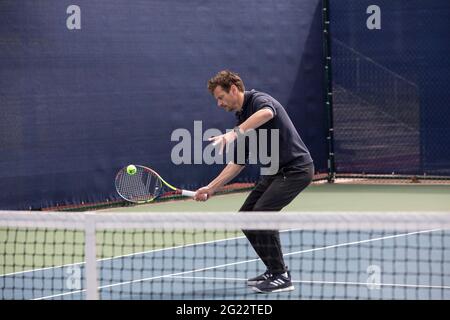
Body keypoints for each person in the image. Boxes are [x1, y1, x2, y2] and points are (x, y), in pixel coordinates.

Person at [194, 70, 314, 293]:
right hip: (275, 173)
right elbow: (238, 162)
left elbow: (268, 113)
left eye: (220, 97)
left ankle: (281, 276)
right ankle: (273, 269)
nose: (219, 104)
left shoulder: (258, 100)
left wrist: (233, 134)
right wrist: (211, 188)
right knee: (247, 217)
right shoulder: (242, 118)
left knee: (262, 213)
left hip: (296, 169)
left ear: (233, 89)